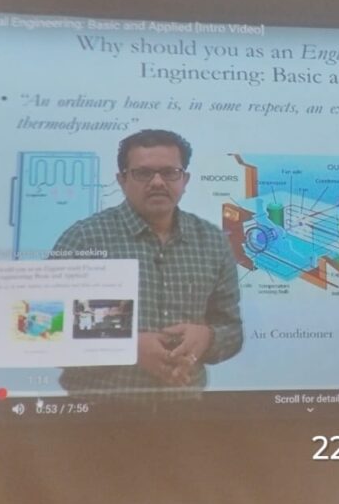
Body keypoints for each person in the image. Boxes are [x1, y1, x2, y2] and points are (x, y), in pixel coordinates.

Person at [53, 129, 242, 397]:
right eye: (143, 173)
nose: (157, 182)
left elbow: (231, 330)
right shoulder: (84, 239)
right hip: (99, 411)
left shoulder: (212, 241)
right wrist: (126, 346)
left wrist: (208, 338)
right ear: (121, 180)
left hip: (187, 411)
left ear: (185, 179)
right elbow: (47, 329)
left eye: (170, 172)